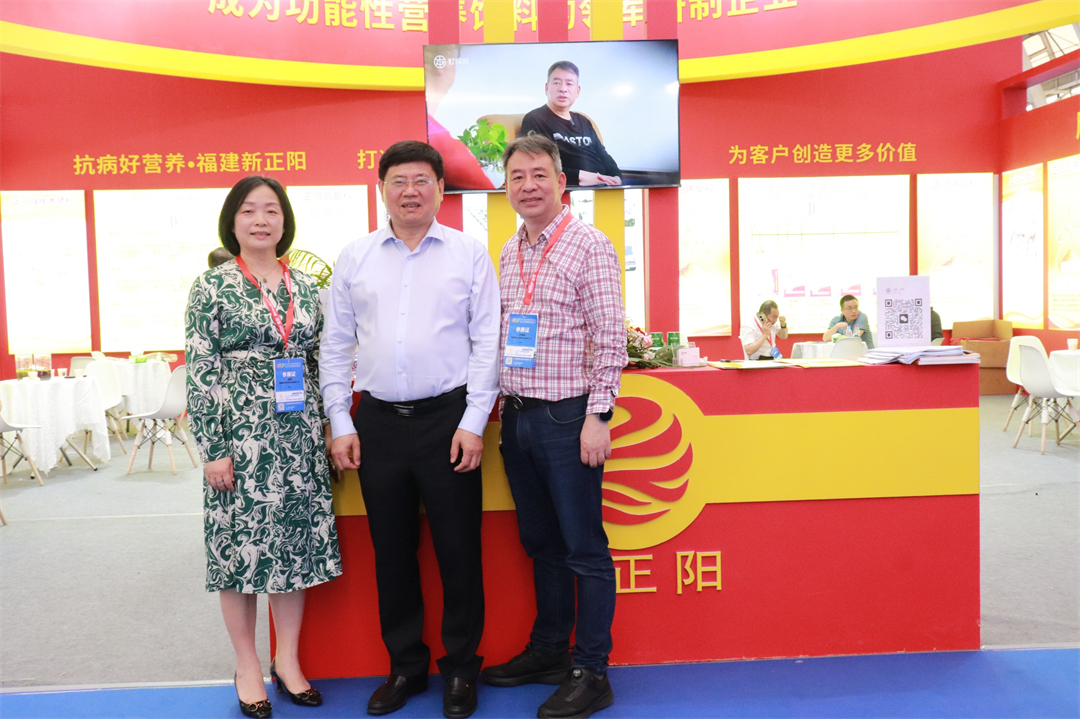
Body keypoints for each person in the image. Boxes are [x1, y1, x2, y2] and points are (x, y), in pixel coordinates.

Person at [320, 140, 500, 719]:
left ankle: (461, 669)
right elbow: (335, 345)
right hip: (377, 424)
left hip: (449, 422)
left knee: (458, 551)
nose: (410, 191)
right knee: (392, 553)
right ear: (382, 190)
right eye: (398, 181)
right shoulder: (355, 257)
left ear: (441, 189)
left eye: (422, 180)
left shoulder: (469, 254)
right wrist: (341, 420)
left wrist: (473, 422)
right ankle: (405, 667)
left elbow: (487, 343)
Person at [481, 134, 626, 719]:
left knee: (584, 548)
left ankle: (592, 670)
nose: (528, 186)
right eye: (517, 176)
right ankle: (548, 652)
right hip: (517, 416)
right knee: (541, 545)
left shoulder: (590, 244)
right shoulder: (509, 249)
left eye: (539, 174)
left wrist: (598, 416)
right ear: (506, 187)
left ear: (561, 181)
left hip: (569, 417)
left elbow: (611, 337)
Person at [186, 176, 341, 719]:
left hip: (298, 439)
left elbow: (322, 363)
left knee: (293, 552)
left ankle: (288, 660)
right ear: (232, 221)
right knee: (241, 553)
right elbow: (201, 370)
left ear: (284, 221)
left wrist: (329, 426)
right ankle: (247, 665)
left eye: (271, 210)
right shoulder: (211, 287)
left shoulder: (306, 286)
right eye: (249, 210)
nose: (260, 220)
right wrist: (213, 448)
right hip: (240, 439)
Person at [519, 61, 621, 188]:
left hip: (604, 186)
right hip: (568, 188)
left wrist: (617, 177)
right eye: (557, 83)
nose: (563, 89)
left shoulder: (583, 121)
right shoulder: (535, 119)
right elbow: (538, 165)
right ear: (547, 88)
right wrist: (580, 176)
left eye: (569, 84)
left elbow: (602, 154)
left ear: (577, 91)